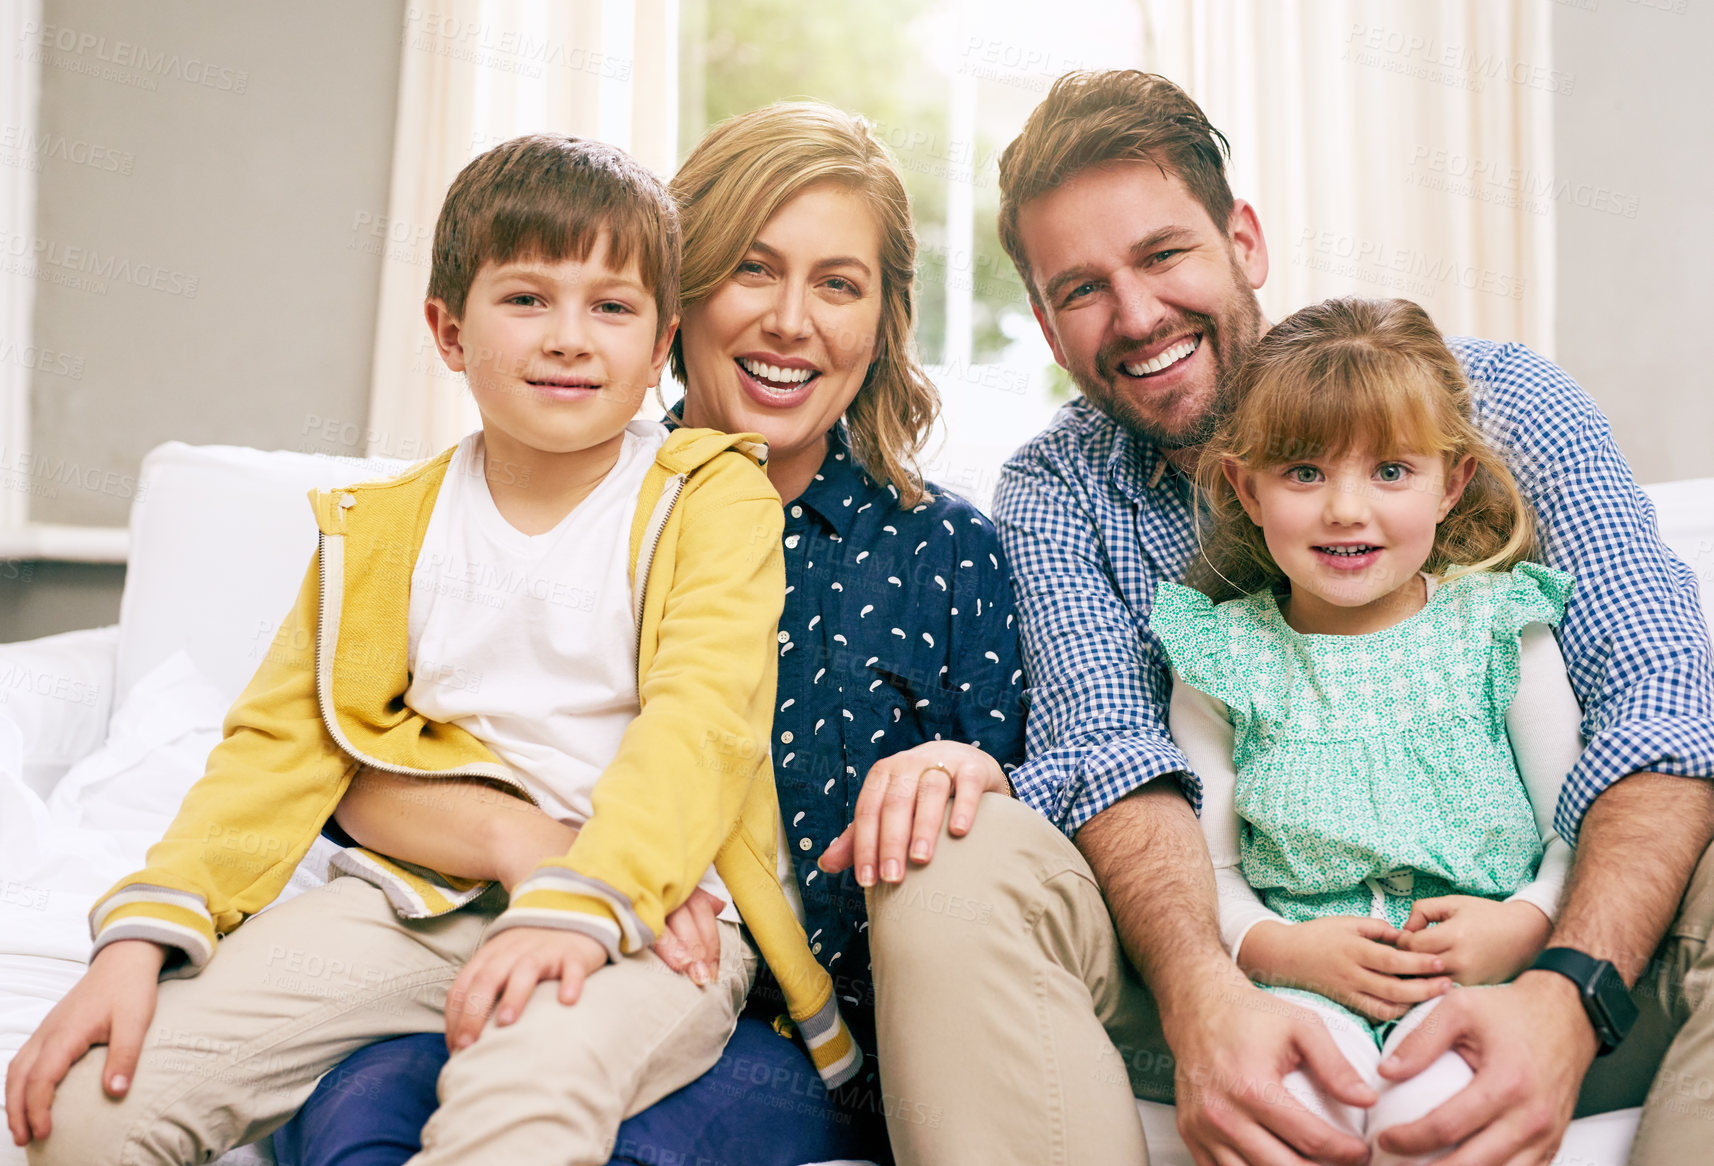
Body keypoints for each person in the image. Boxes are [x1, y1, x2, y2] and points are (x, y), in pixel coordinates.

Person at [868, 69, 1714, 1166]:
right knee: (949, 866)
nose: (1135, 316)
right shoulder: (1058, 490)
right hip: (1241, 970)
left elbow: (1657, 695)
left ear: (1244, 242)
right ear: (1043, 319)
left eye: (1164, 254)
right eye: (1081, 288)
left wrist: (1566, 983)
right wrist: (1205, 995)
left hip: (1553, 960)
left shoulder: (1499, 399)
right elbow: (1112, 753)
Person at [5, 132, 862, 1165]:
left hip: (649, 910)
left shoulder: (708, 493)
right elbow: (279, 745)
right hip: (411, 900)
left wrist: (582, 902)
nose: (569, 337)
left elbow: (702, 723)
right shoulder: (381, 528)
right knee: (91, 1109)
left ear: (659, 343)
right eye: (526, 298)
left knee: (517, 1097)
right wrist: (137, 941)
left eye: (611, 306)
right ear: (448, 331)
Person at [273, 101, 1027, 1166]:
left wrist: (970, 769)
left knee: (621, 1140)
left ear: (882, 318)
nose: (791, 321)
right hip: (527, 951)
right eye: (753, 269)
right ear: (681, 294)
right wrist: (519, 845)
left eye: (839, 284)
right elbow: (348, 764)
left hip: (792, 1036)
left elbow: (1030, 820)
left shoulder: (947, 551)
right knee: (360, 1118)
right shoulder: (557, 497)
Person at [1155, 296, 1585, 1159]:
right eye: (1304, 473)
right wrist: (1278, 950)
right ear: (1245, 487)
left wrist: (1529, 923)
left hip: (1485, 978)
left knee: (1430, 1130)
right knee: (1295, 1126)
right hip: (1301, 989)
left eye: (1390, 471)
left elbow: (1574, 829)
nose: (1346, 510)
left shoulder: (1501, 629)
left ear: (1451, 481)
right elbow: (1210, 873)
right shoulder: (1221, 657)